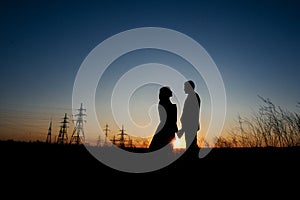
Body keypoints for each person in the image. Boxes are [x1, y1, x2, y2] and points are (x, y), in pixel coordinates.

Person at [148, 86, 178, 152]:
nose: (171, 92)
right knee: (164, 146)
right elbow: (168, 117)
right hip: (167, 128)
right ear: (166, 93)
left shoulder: (164, 102)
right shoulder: (164, 102)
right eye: (169, 90)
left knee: (164, 146)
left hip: (168, 127)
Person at [177, 80, 201, 159]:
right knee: (191, 145)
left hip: (191, 126)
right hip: (189, 126)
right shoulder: (192, 96)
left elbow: (191, 114)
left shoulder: (193, 97)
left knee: (191, 146)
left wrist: (183, 128)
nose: (184, 89)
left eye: (185, 87)